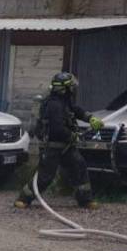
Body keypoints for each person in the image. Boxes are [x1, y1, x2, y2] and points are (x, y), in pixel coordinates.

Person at [15, 72, 103, 210]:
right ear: (65, 88)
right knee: (45, 176)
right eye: (72, 87)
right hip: (52, 147)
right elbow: (57, 129)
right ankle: (24, 199)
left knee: (79, 167)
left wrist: (90, 118)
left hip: (66, 146)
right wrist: (73, 136)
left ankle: (85, 200)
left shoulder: (64, 101)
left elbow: (76, 110)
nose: (73, 90)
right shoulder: (54, 105)